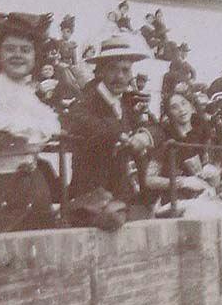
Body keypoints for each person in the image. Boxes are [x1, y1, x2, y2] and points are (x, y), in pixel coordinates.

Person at [0, 12, 60, 235]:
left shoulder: (31, 95)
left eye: (26, 50)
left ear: (35, 56)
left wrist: (26, 129)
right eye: (10, 49)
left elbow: (53, 126)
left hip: (35, 183)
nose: (18, 55)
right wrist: (33, 130)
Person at [65, 34, 158, 225]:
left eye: (125, 70)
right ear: (100, 72)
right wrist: (123, 136)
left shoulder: (126, 101)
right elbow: (87, 124)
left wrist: (144, 136)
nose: (120, 76)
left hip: (124, 196)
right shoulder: (85, 103)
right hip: (93, 199)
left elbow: (158, 129)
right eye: (113, 70)